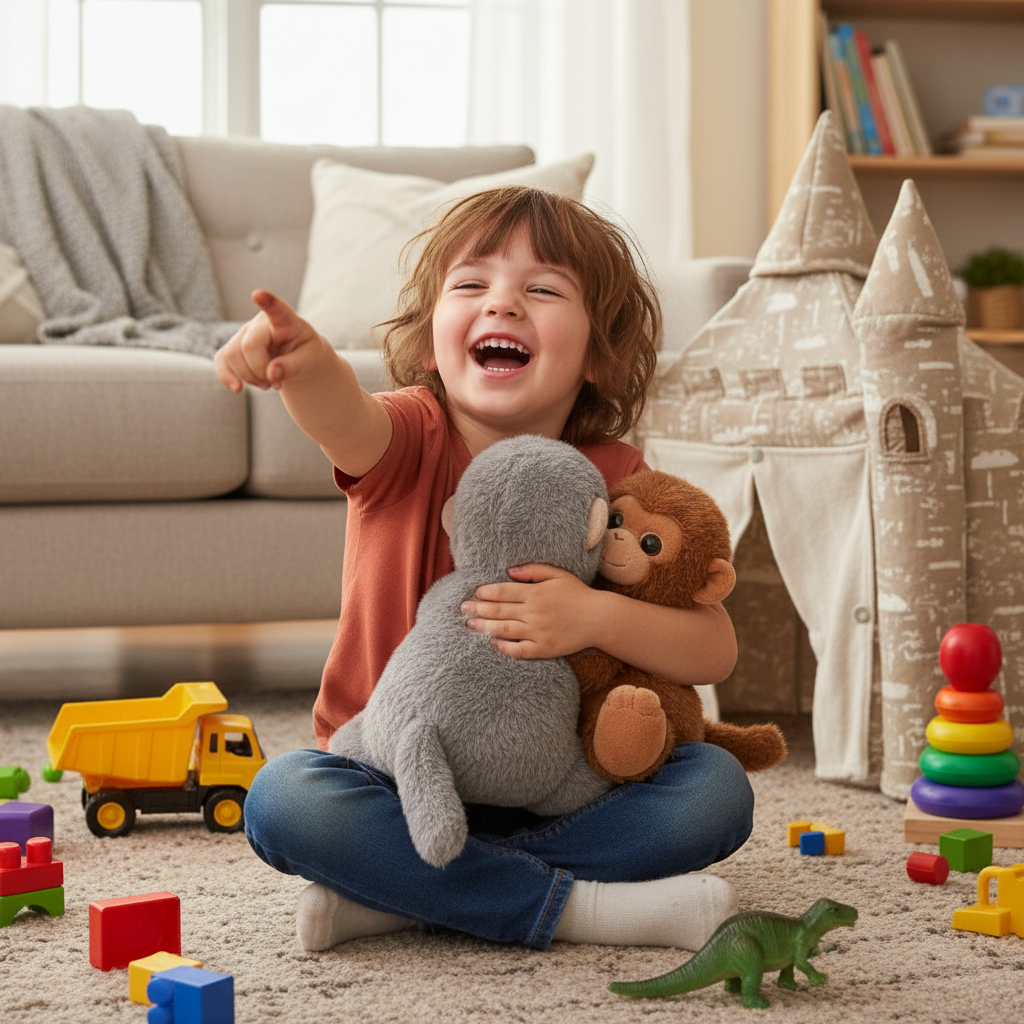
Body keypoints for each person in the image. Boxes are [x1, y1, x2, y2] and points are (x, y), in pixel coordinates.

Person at [214, 185, 754, 954]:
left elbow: (714, 647)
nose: (501, 304)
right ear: (433, 330)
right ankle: (580, 910)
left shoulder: (615, 478)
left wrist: (594, 615)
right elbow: (343, 413)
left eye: (542, 289)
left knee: (713, 792)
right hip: (393, 777)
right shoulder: (408, 435)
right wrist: (306, 366)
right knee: (283, 800)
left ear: (599, 352)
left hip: (560, 786)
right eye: (471, 285)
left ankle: (406, 894)